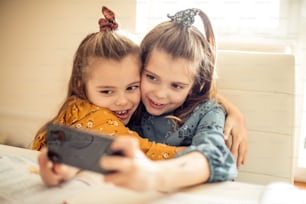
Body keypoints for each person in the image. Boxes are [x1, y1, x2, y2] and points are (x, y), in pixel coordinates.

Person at [34, 6, 183, 186]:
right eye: (107, 91)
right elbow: (144, 152)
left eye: (132, 87)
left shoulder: (115, 106)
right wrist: (201, 155)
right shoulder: (90, 113)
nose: (122, 101)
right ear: (81, 86)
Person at [101, 8, 240, 192]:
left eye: (176, 86)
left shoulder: (207, 112)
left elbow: (216, 155)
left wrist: (155, 175)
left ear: (195, 85)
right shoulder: (131, 102)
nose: (159, 94)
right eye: (151, 77)